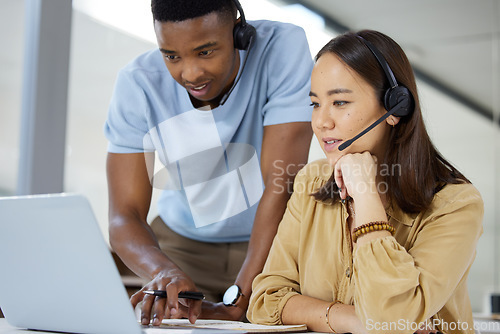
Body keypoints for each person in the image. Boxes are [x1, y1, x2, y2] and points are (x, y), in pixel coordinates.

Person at [247, 30, 483, 334]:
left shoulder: (456, 204)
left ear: (395, 108)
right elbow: (266, 301)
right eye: (315, 104)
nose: (322, 122)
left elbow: (392, 317)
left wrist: (367, 198)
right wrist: (352, 319)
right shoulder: (312, 181)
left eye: (340, 102)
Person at [104, 0, 313, 326]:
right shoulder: (137, 83)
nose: (190, 73)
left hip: (274, 242)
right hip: (181, 246)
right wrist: (165, 272)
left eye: (205, 52)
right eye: (171, 56)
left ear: (239, 32)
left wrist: (240, 299)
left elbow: (280, 185)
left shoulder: (282, 48)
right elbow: (123, 216)